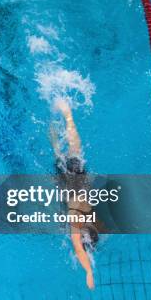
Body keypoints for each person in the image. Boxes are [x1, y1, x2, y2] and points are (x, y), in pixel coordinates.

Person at [49, 98, 99, 290]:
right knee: (60, 154)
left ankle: (66, 119)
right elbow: (78, 249)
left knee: (73, 152)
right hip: (70, 185)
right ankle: (63, 118)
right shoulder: (76, 223)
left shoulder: (90, 219)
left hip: (80, 184)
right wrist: (88, 271)